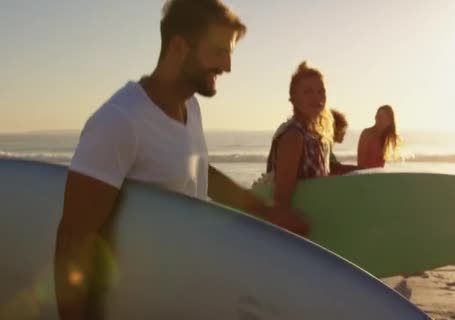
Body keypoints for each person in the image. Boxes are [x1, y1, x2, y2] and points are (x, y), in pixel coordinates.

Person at [54, 1, 307, 319]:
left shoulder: (190, 107)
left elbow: (199, 170)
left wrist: (267, 214)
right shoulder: (119, 121)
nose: (227, 66)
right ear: (178, 47)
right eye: (218, 52)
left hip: (179, 294)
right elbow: (73, 238)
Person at [260, 61, 334, 215]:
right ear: (294, 98)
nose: (317, 97)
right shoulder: (294, 136)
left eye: (321, 91)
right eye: (308, 92)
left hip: (312, 218)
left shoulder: (314, 136)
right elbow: (281, 199)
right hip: (296, 225)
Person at [329, 108, 359, 175]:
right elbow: (334, 168)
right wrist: (360, 169)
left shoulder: (329, 149)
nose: (344, 133)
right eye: (343, 128)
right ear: (334, 128)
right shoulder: (323, 147)